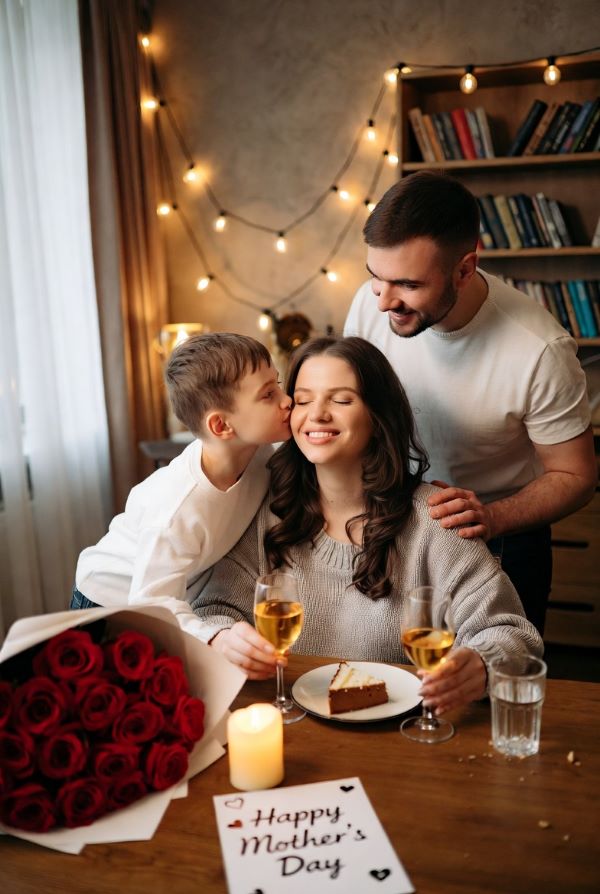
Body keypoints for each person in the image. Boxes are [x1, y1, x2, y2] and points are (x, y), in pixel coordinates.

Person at [193, 336, 542, 715]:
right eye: (304, 399)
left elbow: (512, 633)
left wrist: (481, 666)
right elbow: (212, 608)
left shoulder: (434, 517)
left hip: (400, 741)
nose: (318, 415)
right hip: (293, 731)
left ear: (379, 418)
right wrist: (223, 638)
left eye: (341, 400)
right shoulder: (265, 510)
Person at [344, 171, 597, 635]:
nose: (383, 303)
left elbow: (577, 475)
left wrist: (491, 516)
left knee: (489, 690)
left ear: (464, 268)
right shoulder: (372, 300)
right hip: (393, 526)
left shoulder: (538, 349)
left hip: (500, 543)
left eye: (408, 285)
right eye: (375, 278)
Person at [71, 333, 292, 642]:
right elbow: (153, 605)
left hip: (159, 596)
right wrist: (214, 637)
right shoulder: (178, 509)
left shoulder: (257, 449)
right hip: (107, 605)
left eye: (278, 384)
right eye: (268, 395)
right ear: (221, 426)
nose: (288, 400)